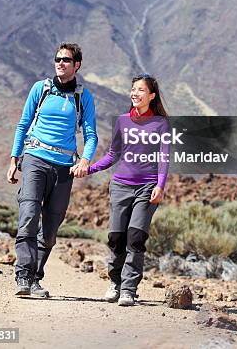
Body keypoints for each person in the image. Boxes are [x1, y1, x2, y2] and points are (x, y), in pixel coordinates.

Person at [7, 42, 98, 298]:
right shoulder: (41, 89)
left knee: (49, 230)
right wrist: (14, 159)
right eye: (57, 59)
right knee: (28, 216)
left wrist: (85, 160)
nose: (60, 63)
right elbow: (23, 123)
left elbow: (91, 135)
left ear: (76, 65)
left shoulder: (83, 97)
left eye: (66, 60)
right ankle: (23, 276)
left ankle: (36, 277)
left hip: (64, 168)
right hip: (35, 159)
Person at [79, 73, 169, 306]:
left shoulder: (160, 123)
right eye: (133, 89)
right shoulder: (121, 121)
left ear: (151, 95)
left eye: (141, 90)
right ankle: (115, 283)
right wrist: (88, 169)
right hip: (120, 186)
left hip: (147, 187)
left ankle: (129, 289)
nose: (135, 93)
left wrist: (160, 186)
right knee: (116, 237)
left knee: (136, 237)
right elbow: (112, 154)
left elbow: (164, 158)